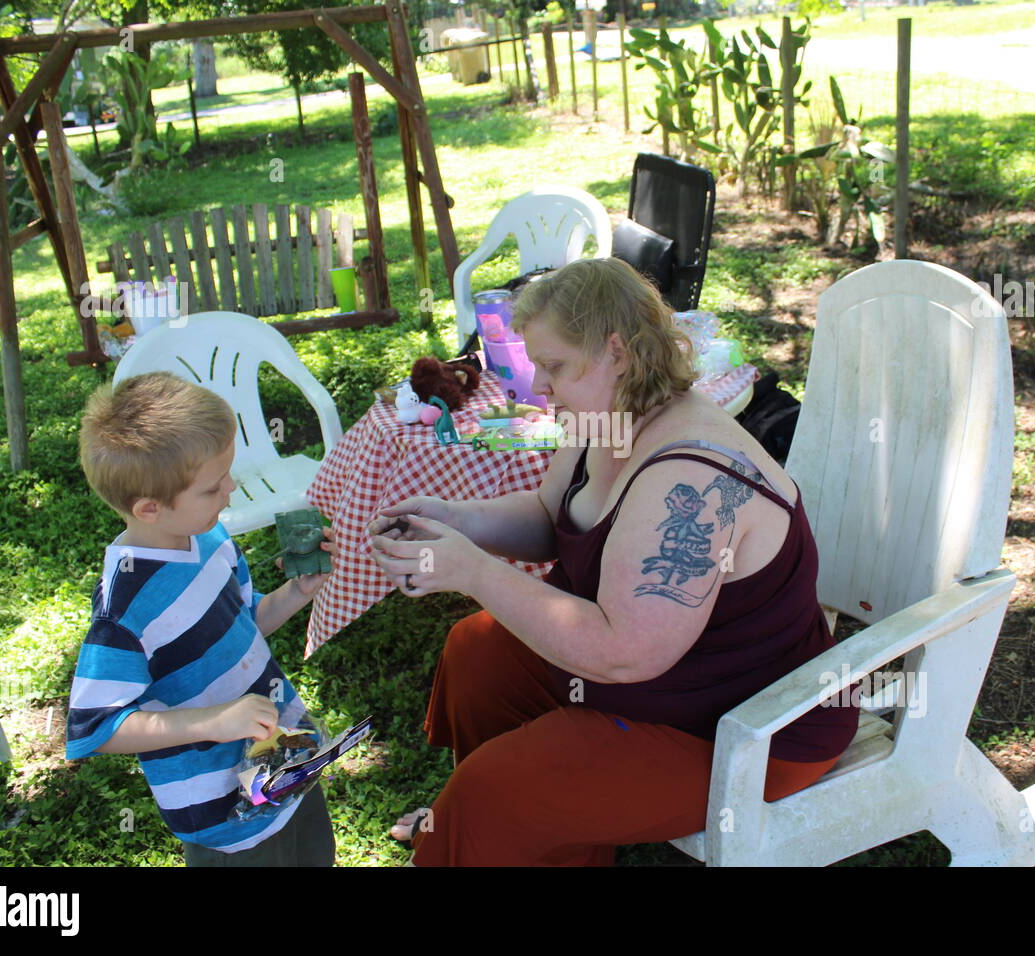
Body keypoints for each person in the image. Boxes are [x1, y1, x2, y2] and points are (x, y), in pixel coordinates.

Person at [369, 257, 859, 866]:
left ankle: (494, 817)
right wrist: (455, 518)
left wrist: (473, 571)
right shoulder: (602, 415)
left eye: (552, 366)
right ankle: (532, 841)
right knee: (479, 655)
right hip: (665, 686)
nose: (539, 385)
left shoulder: (694, 478)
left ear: (618, 353)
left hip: (745, 726)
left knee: (496, 791)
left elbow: (625, 654)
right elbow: (551, 516)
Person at [66, 371, 337, 866]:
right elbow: (98, 727)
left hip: (286, 760)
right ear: (149, 508)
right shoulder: (126, 610)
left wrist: (297, 592)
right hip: (224, 809)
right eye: (213, 488)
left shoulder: (210, 539)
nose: (231, 489)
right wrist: (214, 720)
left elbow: (243, 625)